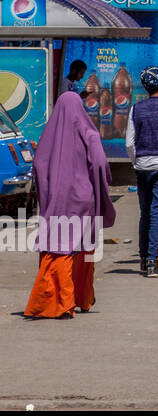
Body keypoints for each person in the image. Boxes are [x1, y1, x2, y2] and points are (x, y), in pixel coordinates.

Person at [23, 92, 116, 318]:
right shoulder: (88, 132)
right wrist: (102, 185)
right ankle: (81, 297)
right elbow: (101, 164)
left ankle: (58, 300)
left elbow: (38, 167)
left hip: (57, 199)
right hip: (83, 198)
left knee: (58, 245)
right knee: (83, 248)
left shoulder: (48, 135)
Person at [125, 66, 158, 278]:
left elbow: (130, 143)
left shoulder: (135, 109)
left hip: (142, 166)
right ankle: (152, 261)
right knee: (157, 212)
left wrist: (136, 162)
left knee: (145, 212)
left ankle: (142, 257)